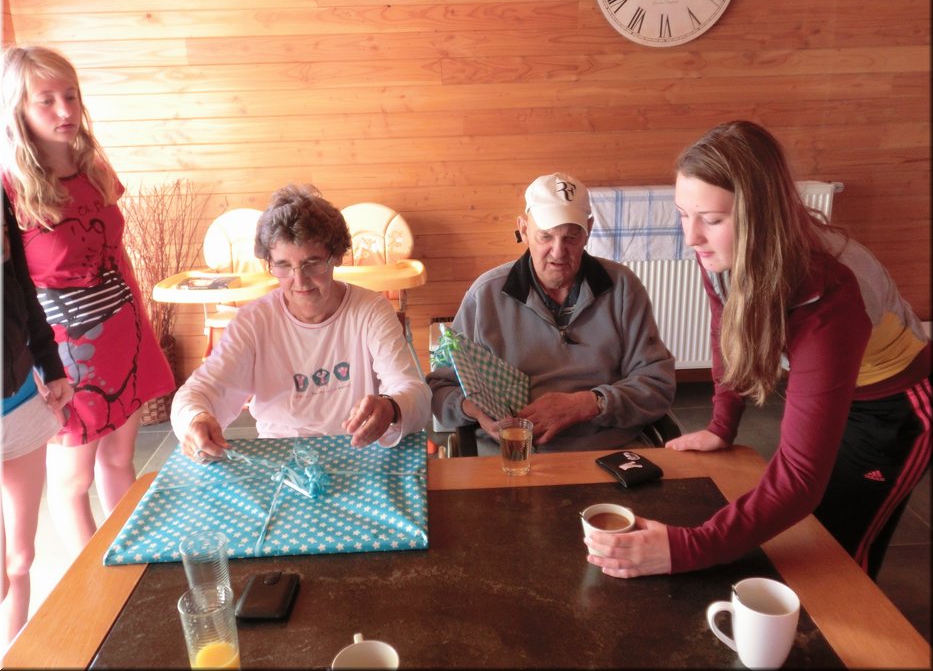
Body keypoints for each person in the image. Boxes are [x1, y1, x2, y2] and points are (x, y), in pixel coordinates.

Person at [587, 121, 931, 579]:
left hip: (891, 407)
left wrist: (687, 548)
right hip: (842, 385)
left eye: (712, 220)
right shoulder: (721, 249)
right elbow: (725, 328)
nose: (691, 237)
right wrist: (722, 424)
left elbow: (800, 480)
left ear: (761, 217)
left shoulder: (830, 293)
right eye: (683, 214)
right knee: (800, 531)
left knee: (840, 556)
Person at [1, 46, 175, 557]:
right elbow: (13, 290)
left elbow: (117, 254)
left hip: (121, 332)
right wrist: (34, 364)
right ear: (17, 109)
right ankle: (94, 582)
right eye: (46, 100)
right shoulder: (11, 187)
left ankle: (133, 561)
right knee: (73, 481)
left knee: (120, 459)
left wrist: (143, 336)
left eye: (71, 95)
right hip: (63, 353)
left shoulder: (92, 166)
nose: (65, 110)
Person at [171, 183, 431, 459]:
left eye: (312, 263)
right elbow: (200, 391)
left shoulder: (370, 311)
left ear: (336, 256)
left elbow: (417, 396)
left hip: (359, 450)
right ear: (269, 263)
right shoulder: (253, 322)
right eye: (283, 265)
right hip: (280, 457)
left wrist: (391, 407)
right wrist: (195, 419)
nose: (299, 280)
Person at [426, 172, 676, 452]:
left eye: (571, 237)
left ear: (588, 230)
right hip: (513, 453)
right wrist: (472, 408)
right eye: (545, 236)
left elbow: (657, 384)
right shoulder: (485, 295)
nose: (558, 252)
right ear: (523, 230)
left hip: (609, 449)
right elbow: (440, 388)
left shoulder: (623, 288)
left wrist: (588, 403)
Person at [1, 189, 74, 651]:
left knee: (22, 559)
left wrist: (51, 366)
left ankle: (13, 654)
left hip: (22, 402)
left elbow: (23, 288)